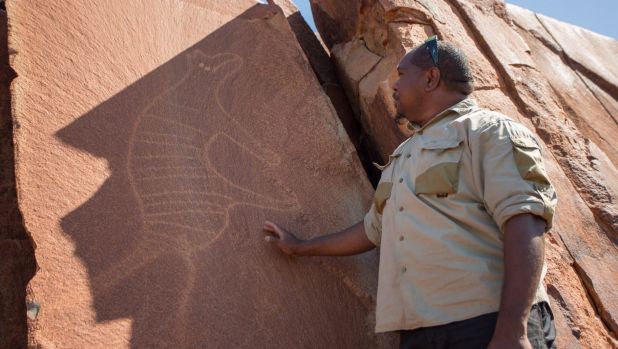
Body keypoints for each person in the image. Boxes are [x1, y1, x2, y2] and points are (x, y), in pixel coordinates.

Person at [262, 36, 558, 349]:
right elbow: (371, 230)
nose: (394, 85)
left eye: (402, 75)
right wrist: (302, 247)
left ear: (431, 78)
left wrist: (514, 328)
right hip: (419, 333)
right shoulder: (402, 156)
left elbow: (525, 224)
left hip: (487, 322)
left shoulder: (489, 132)